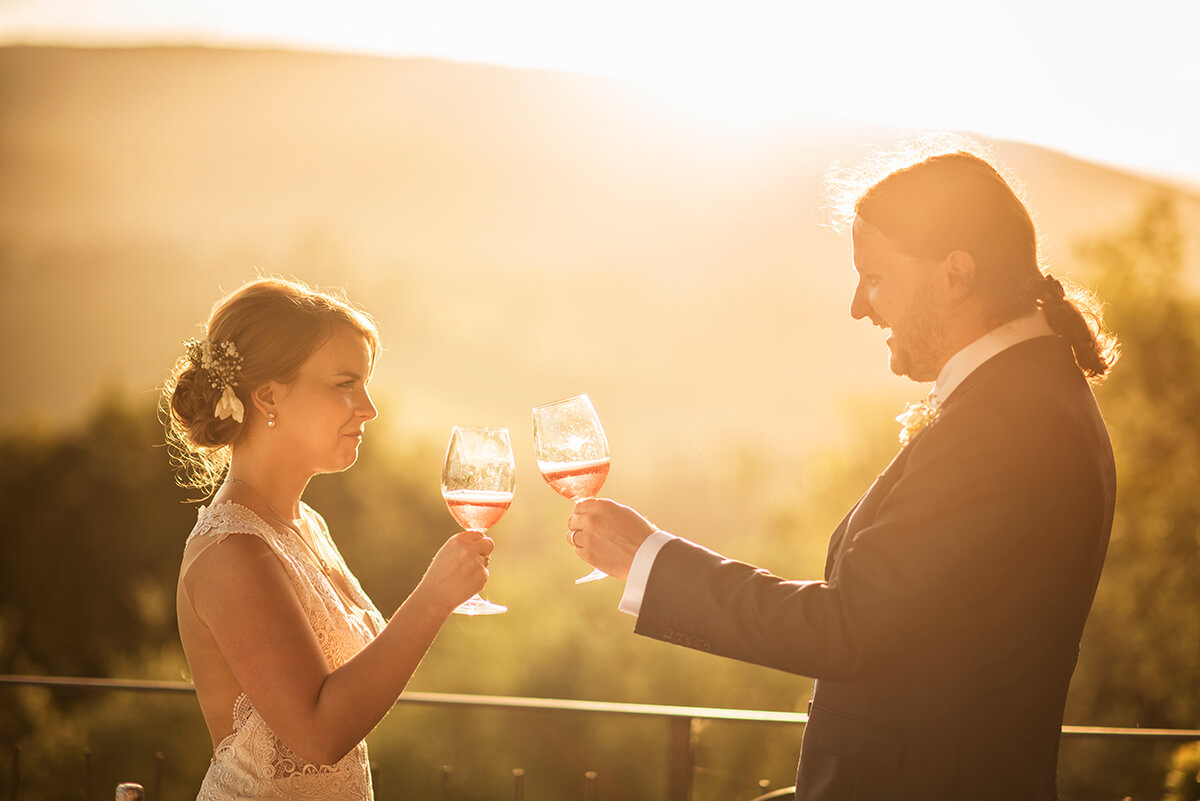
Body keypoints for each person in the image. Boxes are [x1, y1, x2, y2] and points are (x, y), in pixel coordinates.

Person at [566, 149, 1119, 800]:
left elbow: (848, 629)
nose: (860, 306)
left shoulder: (1000, 425)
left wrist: (649, 560)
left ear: (955, 274)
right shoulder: (1034, 392)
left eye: (876, 277)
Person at [164, 277, 494, 800]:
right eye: (345, 384)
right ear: (269, 395)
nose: (368, 407)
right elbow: (318, 734)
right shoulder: (233, 552)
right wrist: (432, 600)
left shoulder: (305, 524)